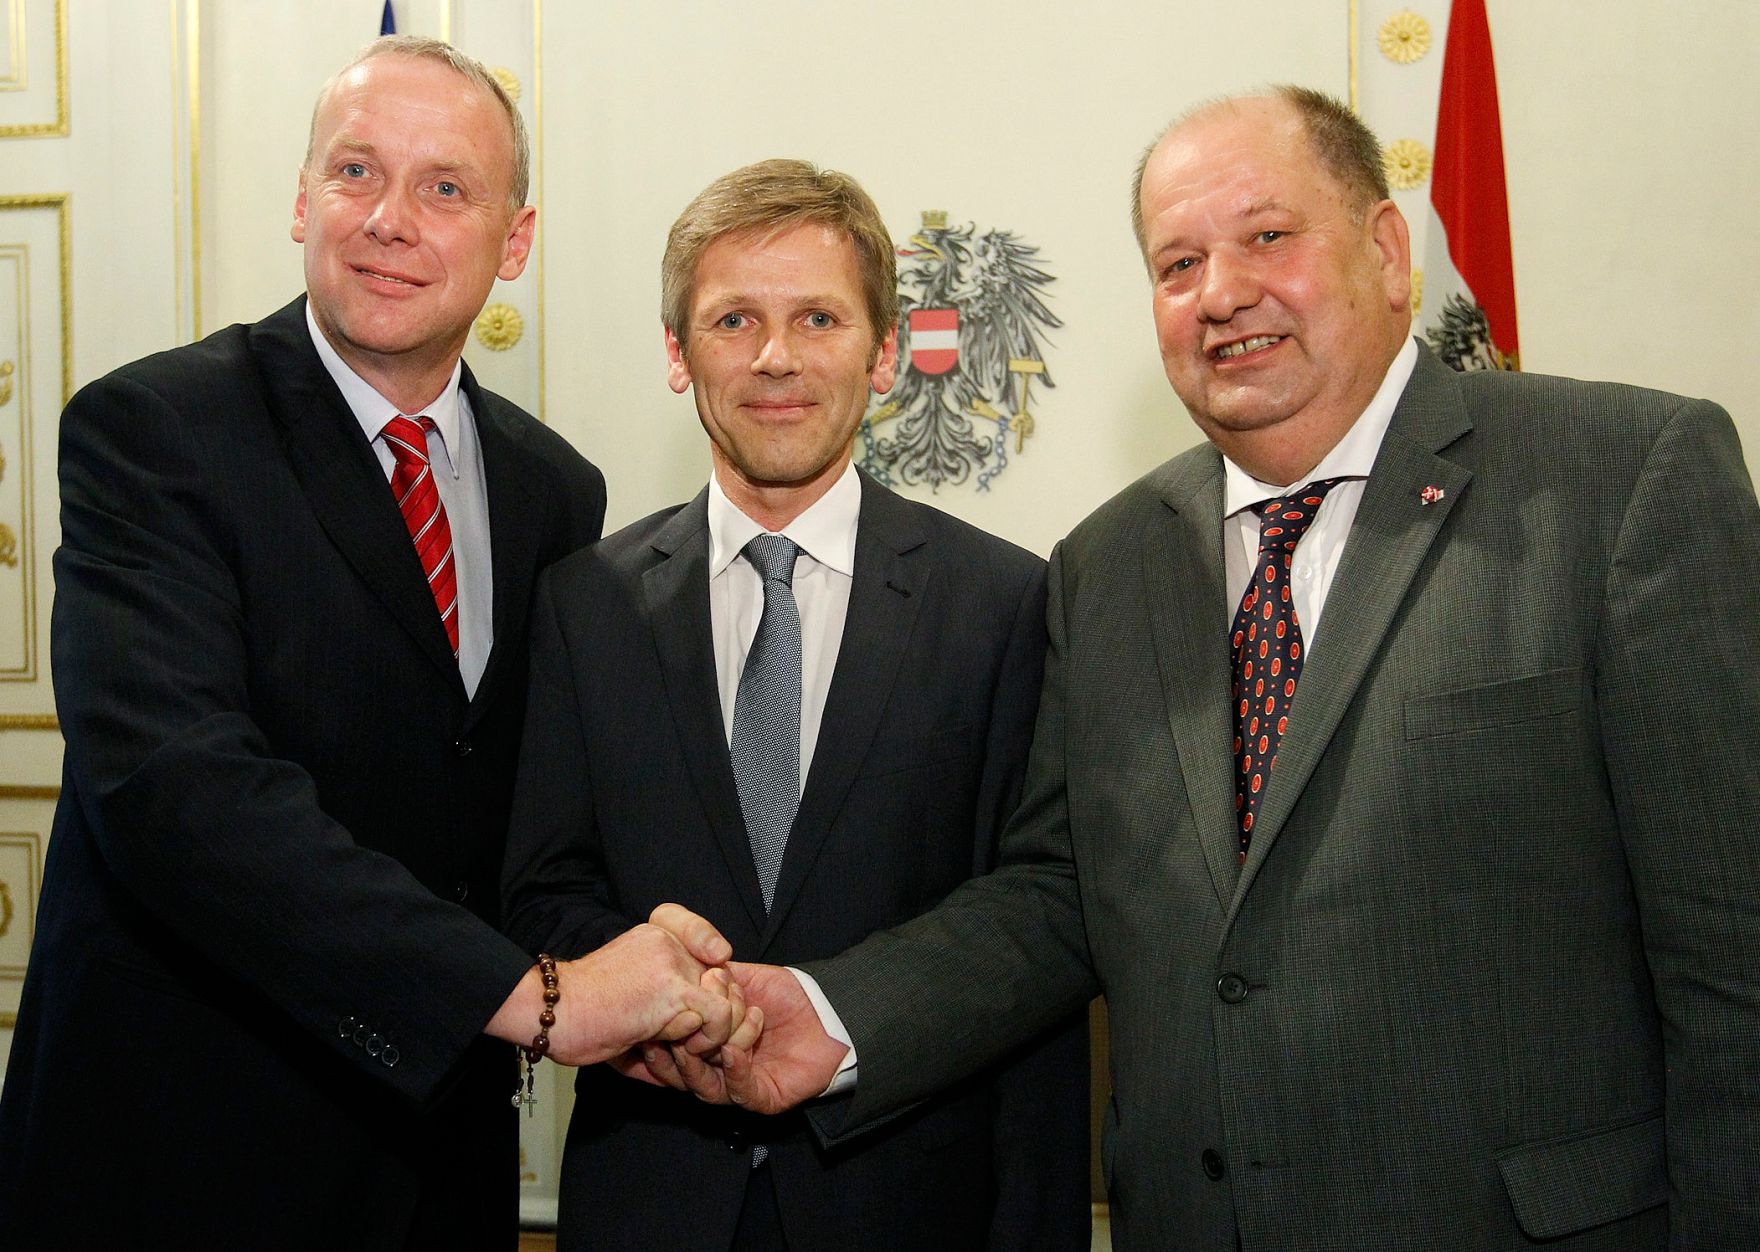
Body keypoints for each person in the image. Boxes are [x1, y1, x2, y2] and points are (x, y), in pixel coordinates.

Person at [655, 88, 1760, 1249]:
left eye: (1266, 237)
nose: (1220, 293)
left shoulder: (1623, 477)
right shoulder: (1106, 564)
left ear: (1387, 252)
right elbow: (1058, 901)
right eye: (1176, 263)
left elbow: (1733, 958)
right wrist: (832, 1016)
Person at [0, 36, 738, 1250]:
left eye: (445, 186)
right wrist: (540, 999)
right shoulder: (155, 430)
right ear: (301, 200)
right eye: (356, 172)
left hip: (434, 1158)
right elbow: (178, 792)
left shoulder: (555, 490)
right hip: (183, 1156)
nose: (391, 219)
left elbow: (517, 817)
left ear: (514, 240)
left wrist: (657, 962)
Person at [500, 158, 1090, 1251]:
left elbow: (1039, 911)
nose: (775, 357)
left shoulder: (1004, 603)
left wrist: (832, 1014)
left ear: (880, 354)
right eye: (733, 319)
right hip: (651, 1202)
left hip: (911, 1209)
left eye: (817, 317)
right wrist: (669, 992)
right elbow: (542, 886)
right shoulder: (583, 604)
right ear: (678, 354)